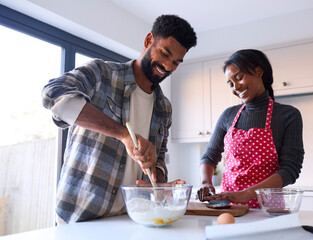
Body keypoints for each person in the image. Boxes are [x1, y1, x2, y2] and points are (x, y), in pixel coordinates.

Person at [42, 14, 197, 223]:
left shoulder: (164, 107)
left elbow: (159, 157)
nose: (168, 67)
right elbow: (53, 94)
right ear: (148, 40)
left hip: (129, 219)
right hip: (78, 218)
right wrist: (123, 134)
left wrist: (160, 182)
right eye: (164, 53)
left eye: (176, 62)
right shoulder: (102, 73)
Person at [197, 49, 304, 208]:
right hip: (228, 207)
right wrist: (206, 183)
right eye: (230, 83)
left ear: (258, 71)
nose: (235, 87)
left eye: (239, 78)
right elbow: (210, 156)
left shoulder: (288, 115)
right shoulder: (228, 115)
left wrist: (246, 194)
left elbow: (290, 170)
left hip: (268, 208)